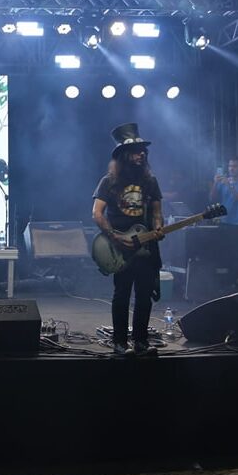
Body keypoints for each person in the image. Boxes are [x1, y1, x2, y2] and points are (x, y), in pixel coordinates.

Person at [92, 124, 164, 357]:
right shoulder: (109, 181)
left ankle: (141, 342)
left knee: (144, 295)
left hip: (145, 245)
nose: (141, 154)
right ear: (124, 155)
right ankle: (120, 343)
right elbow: (97, 213)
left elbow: (156, 212)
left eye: (143, 151)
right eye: (135, 151)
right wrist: (114, 237)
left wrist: (159, 227)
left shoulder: (150, 181)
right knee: (121, 294)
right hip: (120, 246)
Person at [210, 158, 238, 226]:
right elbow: (212, 198)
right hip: (223, 221)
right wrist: (215, 183)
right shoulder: (223, 182)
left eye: (235, 166)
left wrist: (229, 185)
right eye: (230, 166)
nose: (231, 169)